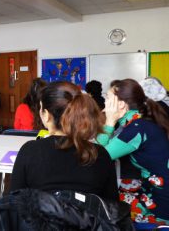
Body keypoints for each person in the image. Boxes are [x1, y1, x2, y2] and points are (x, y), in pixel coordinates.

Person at [11, 81, 118, 200]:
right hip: (88, 218)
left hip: (40, 217)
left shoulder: (30, 151)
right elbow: (112, 206)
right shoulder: (101, 154)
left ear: (46, 115)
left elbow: (15, 201)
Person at [97, 79, 169, 224]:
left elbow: (99, 156)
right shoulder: (137, 121)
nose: (105, 102)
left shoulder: (135, 128)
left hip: (161, 200)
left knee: (103, 208)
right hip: (151, 187)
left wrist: (109, 121)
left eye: (108, 98)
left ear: (121, 104)